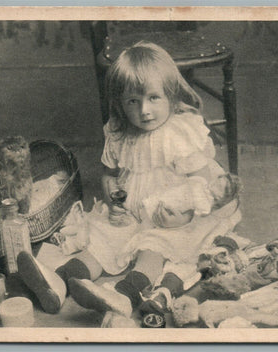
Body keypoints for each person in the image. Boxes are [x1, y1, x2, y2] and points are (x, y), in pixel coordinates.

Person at [16, 41, 241, 324]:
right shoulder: (120, 133)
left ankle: (124, 295)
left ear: (170, 95)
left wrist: (181, 216)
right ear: (120, 104)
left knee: (154, 249)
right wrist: (112, 196)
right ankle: (58, 282)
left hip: (168, 216)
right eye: (133, 101)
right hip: (130, 211)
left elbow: (201, 186)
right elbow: (109, 173)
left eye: (153, 98)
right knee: (101, 242)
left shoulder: (179, 133)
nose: (144, 110)